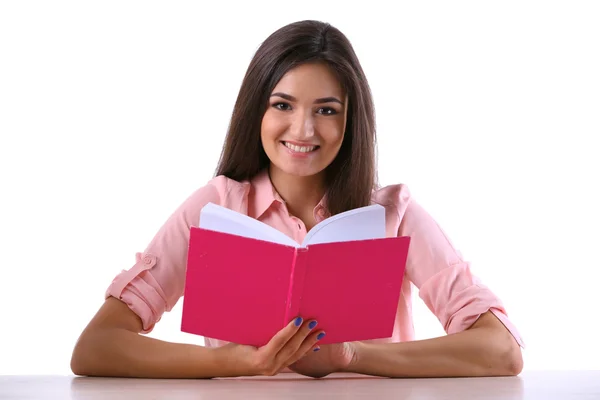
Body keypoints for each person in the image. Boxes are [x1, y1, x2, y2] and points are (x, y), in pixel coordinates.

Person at [70, 20, 524, 379]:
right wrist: (235, 363)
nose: (303, 131)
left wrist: (350, 357)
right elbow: (96, 347)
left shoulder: (394, 214)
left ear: (351, 122)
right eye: (282, 105)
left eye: (326, 110)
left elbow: (501, 350)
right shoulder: (215, 209)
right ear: (256, 111)